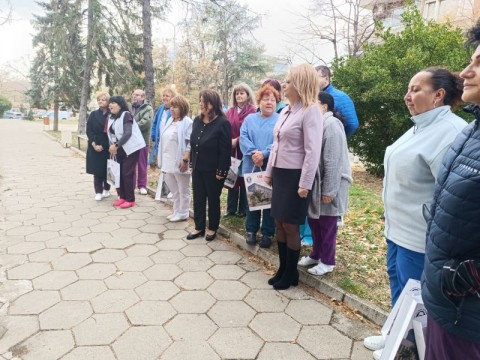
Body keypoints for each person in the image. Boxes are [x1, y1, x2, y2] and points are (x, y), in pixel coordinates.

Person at [363, 67, 467, 359]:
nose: (407, 96)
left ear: (439, 95)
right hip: (397, 230)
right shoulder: (419, 126)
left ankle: (409, 348)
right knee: (399, 289)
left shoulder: (450, 132)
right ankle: (394, 336)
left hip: (419, 237)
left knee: (416, 300)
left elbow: (449, 195)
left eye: (416, 89)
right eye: (408, 89)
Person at [422, 23, 480, 359]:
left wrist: (462, 279)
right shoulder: (471, 131)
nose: (465, 72)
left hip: (467, 315)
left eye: (478, 63)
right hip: (444, 303)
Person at [264, 64, 323, 290]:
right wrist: (269, 172)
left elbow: (312, 151)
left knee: (290, 225)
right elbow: (276, 145)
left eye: (289, 80)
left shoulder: (311, 111)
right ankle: (282, 269)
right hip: (280, 173)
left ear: (300, 84)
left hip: (296, 176)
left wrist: (305, 184)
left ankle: (290, 274)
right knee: (278, 221)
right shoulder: (286, 111)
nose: (285, 84)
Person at [299, 91, 352, 275]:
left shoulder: (332, 124)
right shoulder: (319, 124)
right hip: (317, 184)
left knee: (327, 224)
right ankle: (316, 254)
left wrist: (329, 190)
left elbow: (333, 160)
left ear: (324, 106)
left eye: (313, 103)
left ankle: (328, 261)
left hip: (330, 185)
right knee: (314, 221)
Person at [187, 90, 231, 241]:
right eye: (200, 100)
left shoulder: (222, 123)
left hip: (214, 171)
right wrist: (192, 163)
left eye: (203, 101)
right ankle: (199, 227)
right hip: (198, 168)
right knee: (198, 198)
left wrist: (221, 170)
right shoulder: (197, 121)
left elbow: (225, 151)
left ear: (212, 104)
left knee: (213, 199)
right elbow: (194, 144)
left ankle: (212, 228)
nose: (200, 104)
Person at [239, 84, 280, 248]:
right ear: (259, 101)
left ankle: (268, 233)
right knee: (253, 199)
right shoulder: (250, 119)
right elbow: (243, 138)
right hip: (252, 166)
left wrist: (264, 154)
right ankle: (251, 230)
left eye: (273, 99)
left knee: (269, 202)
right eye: (266, 99)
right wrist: (254, 153)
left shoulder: (280, 119)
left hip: (271, 167)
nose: (269, 102)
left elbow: (279, 142)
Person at [156, 95, 192, 222]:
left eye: (175, 107)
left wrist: (185, 159)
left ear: (182, 108)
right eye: (171, 106)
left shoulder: (187, 122)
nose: (172, 109)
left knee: (183, 189)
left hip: (179, 161)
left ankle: (183, 212)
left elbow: (189, 142)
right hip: (167, 161)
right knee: (174, 189)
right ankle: (176, 210)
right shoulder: (170, 121)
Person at [107, 95, 146, 209]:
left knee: (127, 173)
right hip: (119, 149)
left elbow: (127, 133)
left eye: (113, 103)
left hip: (131, 148)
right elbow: (112, 134)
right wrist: (112, 146)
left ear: (120, 105)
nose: (110, 105)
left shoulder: (126, 115)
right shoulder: (112, 117)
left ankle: (130, 199)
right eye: (110, 103)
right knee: (120, 174)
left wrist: (116, 146)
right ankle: (122, 197)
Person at [225, 83, 257, 218]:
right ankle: (230, 209)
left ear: (248, 95)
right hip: (231, 149)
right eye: (237, 93)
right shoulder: (230, 111)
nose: (239, 95)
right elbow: (224, 128)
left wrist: (237, 140)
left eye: (242, 93)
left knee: (244, 178)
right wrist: (228, 140)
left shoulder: (253, 111)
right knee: (232, 177)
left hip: (245, 149)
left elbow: (251, 130)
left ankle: (243, 209)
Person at [316, 65, 359, 137]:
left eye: (315, 78)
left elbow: (352, 124)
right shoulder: (315, 97)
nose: (313, 81)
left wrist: (339, 136)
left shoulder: (341, 97)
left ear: (326, 78)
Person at [86, 92, 111, 201]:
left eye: (103, 99)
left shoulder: (111, 114)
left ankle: (106, 188)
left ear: (108, 102)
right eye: (99, 99)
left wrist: (104, 145)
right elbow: (89, 130)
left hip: (107, 145)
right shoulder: (93, 114)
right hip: (94, 145)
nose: (100, 101)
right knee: (97, 170)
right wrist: (94, 144)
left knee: (107, 168)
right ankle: (98, 191)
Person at [131, 89, 153, 195]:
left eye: (137, 95)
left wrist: (130, 126)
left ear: (143, 97)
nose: (134, 96)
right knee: (131, 164)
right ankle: (132, 185)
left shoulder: (148, 109)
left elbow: (145, 123)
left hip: (142, 141)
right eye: (133, 94)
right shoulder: (130, 108)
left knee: (142, 164)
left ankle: (142, 186)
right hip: (130, 140)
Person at [149, 86, 177, 165]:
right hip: (160, 140)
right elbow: (154, 123)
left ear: (172, 97)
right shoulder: (160, 108)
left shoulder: (174, 109)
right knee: (161, 163)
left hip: (170, 140)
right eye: (163, 96)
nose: (164, 98)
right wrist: (154, 135)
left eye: (167, 96)